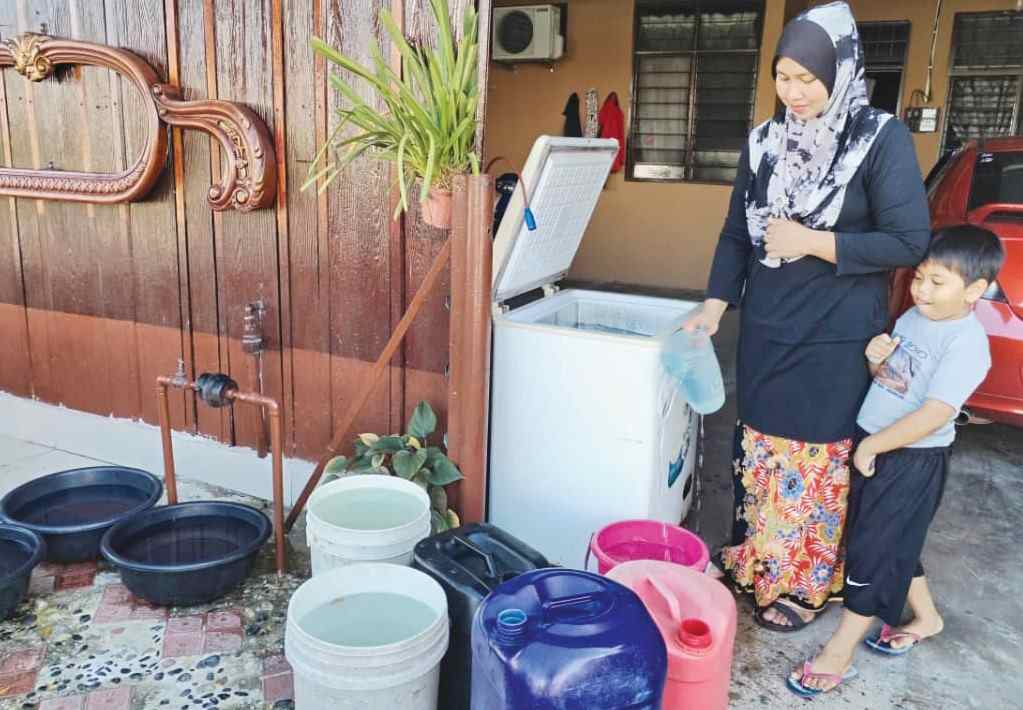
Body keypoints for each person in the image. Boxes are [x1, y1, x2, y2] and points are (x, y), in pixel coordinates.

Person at [685, 1, 930, 630]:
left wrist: (815, 242)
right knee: (761, 445)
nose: (793, 93)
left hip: (837, 333)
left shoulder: (880, 138)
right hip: (767, 326)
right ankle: (757, 563)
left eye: (807, 79)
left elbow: (908, 241)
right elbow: (736, 234)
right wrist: (715, 305)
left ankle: (805, 583)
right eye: (783, 77)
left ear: (840, 72)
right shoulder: (764, 142)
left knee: (814, 456)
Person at [787, 225, 1005, 697]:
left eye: (937, 282)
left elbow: (934, 413)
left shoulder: (967, 344)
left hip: (910, 459)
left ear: (974, 290)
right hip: (878, 446)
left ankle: (840, 653)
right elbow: (892, 381)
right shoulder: (911, 318)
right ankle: (927, 618)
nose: (922, 289)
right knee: (890, 540)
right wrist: (874, 359)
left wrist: (872, 447)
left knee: (871, 552)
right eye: (920, 277)